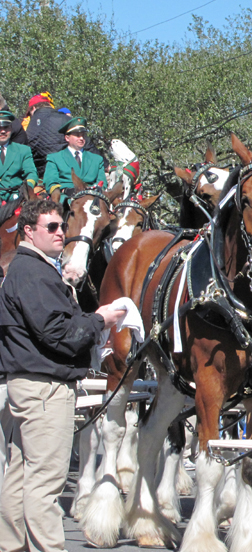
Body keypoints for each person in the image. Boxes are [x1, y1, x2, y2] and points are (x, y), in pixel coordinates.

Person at [0, 198, 126, 552]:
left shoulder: (29, 270)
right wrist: (100, 319)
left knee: (21, 473)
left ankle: (11, 545)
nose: (60, 234)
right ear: (28, 230)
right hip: (44, 388)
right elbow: (59, 334)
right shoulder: (33, 273)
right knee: (45, 482)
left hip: (30, 384)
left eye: (61, 226)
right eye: (51, 227)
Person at [43, 116, 106, 199]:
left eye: (83, 135)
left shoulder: (97, 160)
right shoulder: (55, 158)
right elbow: (51, 182)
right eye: (77, 135)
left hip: (92, 199)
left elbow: (102, 183)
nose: (81, 138)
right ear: (67, 138)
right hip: (67, 199)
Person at [23, 92, 65, 176]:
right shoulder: (66, 119)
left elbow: (25, 151)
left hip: (42, 175)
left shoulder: (31, 125)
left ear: (33, 108)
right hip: (67, 172)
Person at [0, 111, 38, 202]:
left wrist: (27, 188)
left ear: (12, 129)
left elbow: (31, 173)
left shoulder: (22, 150)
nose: (3, 131)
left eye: (6, 127)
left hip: (15, 197)